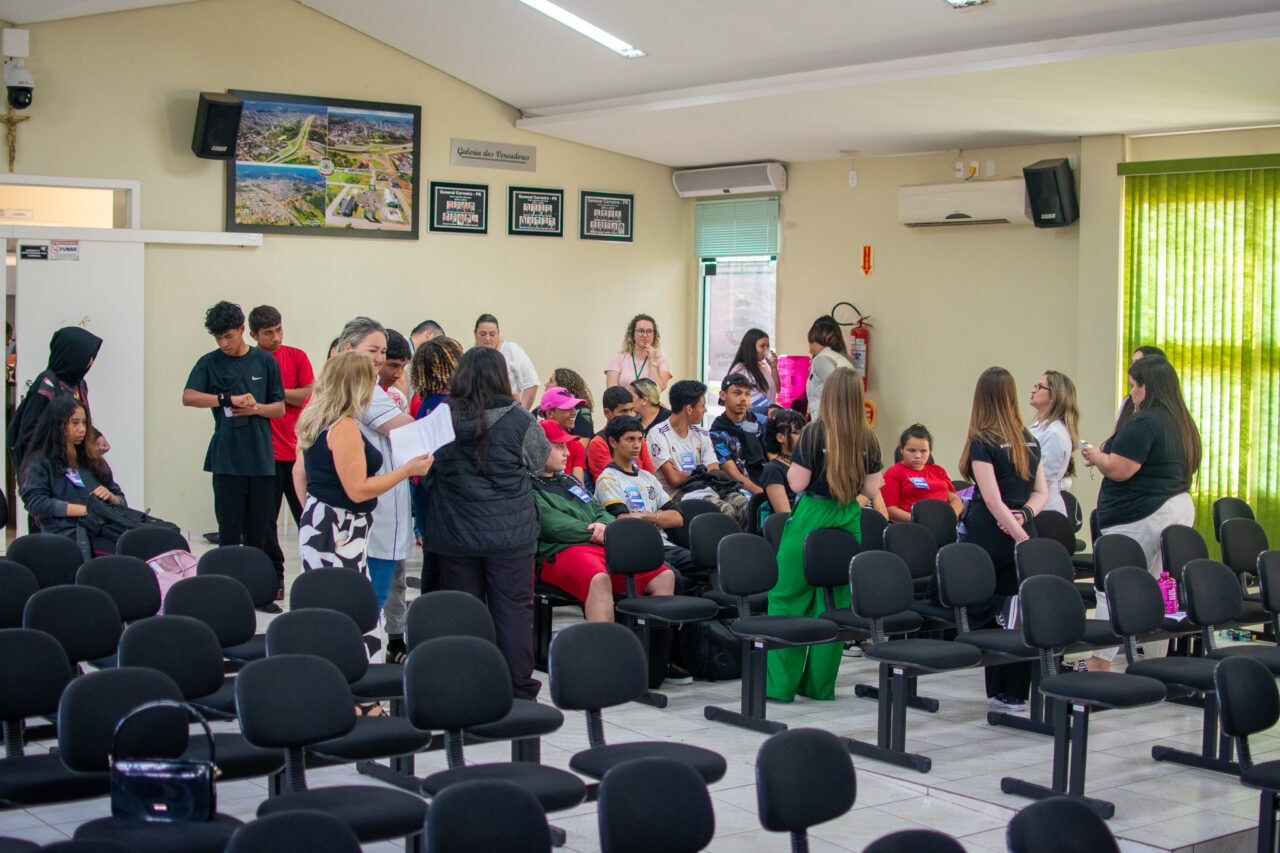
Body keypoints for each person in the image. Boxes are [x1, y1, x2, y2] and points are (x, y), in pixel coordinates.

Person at [423, 346, 550, 700]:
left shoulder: (440, 417)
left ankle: (464, 687)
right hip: (511, 535)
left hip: (453, 532)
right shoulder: (521, 418)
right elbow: (539, 462)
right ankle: (518, 690)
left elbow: (421, 465)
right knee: (512, 611)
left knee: (461, 611)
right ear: (501, 376)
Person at [768, 370, 885, 702]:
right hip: (848, 518)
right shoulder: (870, 439)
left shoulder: (813, 432)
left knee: (787, 598)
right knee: (831, 605)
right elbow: (871, 489)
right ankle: (819, 688)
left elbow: (797, 484)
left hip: (812, 516)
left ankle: (779, 688)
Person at [1080, 355, 1200, 672]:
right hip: (1176, 509)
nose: (1130, 394)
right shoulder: (1182, 421)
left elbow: (1121, 469)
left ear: (1147, 387)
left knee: (1113, 585)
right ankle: (1155, 663)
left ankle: (1099, 662)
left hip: (1140, 515)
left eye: (1133, 386)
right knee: (1161, 586)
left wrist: (1097, 456)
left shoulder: (1147, 420)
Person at [182, 301, 286, 610]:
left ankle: (257, 593)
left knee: (259, 533)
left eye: (229, 336)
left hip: (261, 460)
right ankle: (227, 596)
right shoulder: (209, 362)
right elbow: (188, 397)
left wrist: (255, 408)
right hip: (226, 458)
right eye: (218, 338)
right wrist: (225, 398)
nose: (224, 344)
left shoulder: (265, 362)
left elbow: (279, 407)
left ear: (243, 330)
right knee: (229, 531)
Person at [957, 367, 1048, 710]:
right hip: (1020, 527)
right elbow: (1042, 491)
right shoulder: (1030, 438)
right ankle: (1015, 692)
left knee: (997, 611)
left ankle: (999, 688)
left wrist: (1017, 532)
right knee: (1018, 610)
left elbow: (992, 499)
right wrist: (1024, 518)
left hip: (992, 534)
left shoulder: (983, 439)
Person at [292, 351, 431, 574]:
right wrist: (406, 470)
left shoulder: (317, 418)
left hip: (323, 517)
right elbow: (358, 490)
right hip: (342, 523)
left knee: (323, 590)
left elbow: (298, 474)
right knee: (343, 596)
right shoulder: (344, 426)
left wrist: (314, 513)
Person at [532, 419, 674, 623]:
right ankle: (606, 651)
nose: (567, 453)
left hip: (600, 546)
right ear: (538, 449)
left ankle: (650, 650)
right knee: (599, 579)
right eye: (559, 447)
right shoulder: (528, 485)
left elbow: (599, 509)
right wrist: (595, 532)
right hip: (560, 551)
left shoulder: (569, 480)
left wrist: (605, 527)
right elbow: (552, 525)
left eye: (566, 446)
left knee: (664, 575)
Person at [338, 317, 417, 663]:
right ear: (348, 350)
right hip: (374, 509)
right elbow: (409, 431)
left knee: (380, 593)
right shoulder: (361, 393)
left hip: (385, 505)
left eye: (384, 351)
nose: (381, 359)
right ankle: (362, 679)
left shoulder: (377, 392)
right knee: (372, 600)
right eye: (374, 351)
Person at [248, 305, 315, 600]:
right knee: (266, 526)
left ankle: (316, 580)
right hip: (265, 457)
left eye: (278, 330)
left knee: (310, 519)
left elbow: (307, 394)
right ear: (253, 335)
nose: (275, 337)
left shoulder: (296, 356)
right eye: (268, 333)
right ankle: (273, 584)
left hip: (298, 453)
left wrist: (274, 392)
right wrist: (286, 393)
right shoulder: (252, 362)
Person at [593, 416, 697, 581]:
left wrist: (642, 516)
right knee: (676, 578)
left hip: (665, 545)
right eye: (630, 439)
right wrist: (659, 517)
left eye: (640, 439)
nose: (637, 445)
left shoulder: (648, 477)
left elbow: (678, 519)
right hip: (637, 549)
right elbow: (624, 521)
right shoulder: (608, 479)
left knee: (709, 566)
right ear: (613, 442)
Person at [19, 396, 125, 555]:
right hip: (65, 535)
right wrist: (85, 510)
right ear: (57, 425)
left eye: (84, 423)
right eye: (75, 423)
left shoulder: (92, 460)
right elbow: (36, 503)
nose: (82, 429)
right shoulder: (39, 460)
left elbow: (121, 500)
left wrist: (111, 498)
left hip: (102, 527)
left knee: (137, 544)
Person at [648, 379, 749, 526]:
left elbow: (714, 471)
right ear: (689, 409)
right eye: (703, 406)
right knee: (724, 510)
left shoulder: (702, 433)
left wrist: (695, 474)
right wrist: (702, 471)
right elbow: (674, 479)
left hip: (706, 489)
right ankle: (719, 549)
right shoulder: (658, 434)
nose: (705, 410)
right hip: (678, 496)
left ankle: (740, 548)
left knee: (744, 505)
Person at [407, 336, 464, 590]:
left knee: (434, 562)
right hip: (449, 493)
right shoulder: (456, 404)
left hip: (428, 491)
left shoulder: (423, 403)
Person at [8, 326, 106, 473]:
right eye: (87, 356)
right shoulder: (46, 386)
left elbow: (78, 420)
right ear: (73, 355)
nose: (91, 362)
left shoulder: (79, 385)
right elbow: (29, 435)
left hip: (70, 466)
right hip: (47, 471)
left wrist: (96, 437)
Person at [880, 424, 964, 523]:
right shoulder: (894, 473)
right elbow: (889, 510)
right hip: (913, 526)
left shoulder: (938, 471)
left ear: (929, 452)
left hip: (943, 525)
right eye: (911, 450)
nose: (918, 456)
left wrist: (948, 517)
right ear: (902, 450)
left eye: (923, 451)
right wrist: (922, 520)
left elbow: (955, 499)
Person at [1027, 370, 1079, 517]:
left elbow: (1044, 478)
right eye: (1034, 386)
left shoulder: (1055, 433)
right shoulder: (1037, 427)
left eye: (1039, 387)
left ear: (1054, 395)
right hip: (1034, 505)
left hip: (1045, 511)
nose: (1033, 390)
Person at [709, 373, 766, 494]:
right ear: (723, 395)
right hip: (741, 491)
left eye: (747, 394)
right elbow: (732, 473)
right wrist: (760, 493)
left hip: (770, 482)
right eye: (737, 393)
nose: (743, 398)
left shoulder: (762, 422)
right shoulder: (717, 433)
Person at [586, 385, 656, 482]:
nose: (629, 416)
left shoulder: (638, 438)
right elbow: (611, 482)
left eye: (631, 410)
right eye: (623, 411)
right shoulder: (598, 443)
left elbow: (651, 477)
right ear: (607, 413)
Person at [473, 313, 538, 409]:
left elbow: (531, 383)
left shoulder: (511, 350)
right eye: (483, 334)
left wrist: (522, 414)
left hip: (508, 411)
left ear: (498, 334)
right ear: (475, 333)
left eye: (492, 334)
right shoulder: (469, 355)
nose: (487, 339)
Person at [605, 314, 672, 391]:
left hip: (648, 403)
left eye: (649, 331)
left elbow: (658, 389)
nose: (645, 335)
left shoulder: (661, 360)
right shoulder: (618, 358)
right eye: (640, 331)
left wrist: (652, 361)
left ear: (654, 335)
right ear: (632, 334)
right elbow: (612, 391)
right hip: (624, 403)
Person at [805, 315, 855, 418]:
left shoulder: (821, 360)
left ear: (814, 337)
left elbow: (836, 389)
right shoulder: (844, 359)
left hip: (828, 424)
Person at [759, 409, 805, 518]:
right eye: (797, 432)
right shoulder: (773, 469)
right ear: (780, 437)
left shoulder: (805, 465)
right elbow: (784, 516)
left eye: (805, 431)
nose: (804, 436)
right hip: (792, 529)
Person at [539, 388, 587, 483]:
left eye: (574, 407)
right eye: (568, 408)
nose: (574, 412)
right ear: (549, 413)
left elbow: (579, 486)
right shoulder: (534, 439)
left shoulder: (576, 445)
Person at [1115, 345, 1167, 430]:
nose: (1132, 368)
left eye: (1137, 363)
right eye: (1132, 363)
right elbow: (1113, 438)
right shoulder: (1128, 402)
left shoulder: (1159, 414)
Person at [727, 328, 780, 406]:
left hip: (768, 416)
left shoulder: (762, 367)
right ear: (751, 348)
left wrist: (774, 367)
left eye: (767, 346)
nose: (766, 350)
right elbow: (735, 401)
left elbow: (777, 389)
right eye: (762, 346)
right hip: (753, 417)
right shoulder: (740, 369)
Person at [547, 367, 594, 440]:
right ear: (549, 413)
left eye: (550, 381)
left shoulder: (582, 412)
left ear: (562, 386)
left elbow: (580, 447)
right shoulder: (539, 410)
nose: (546, 384)